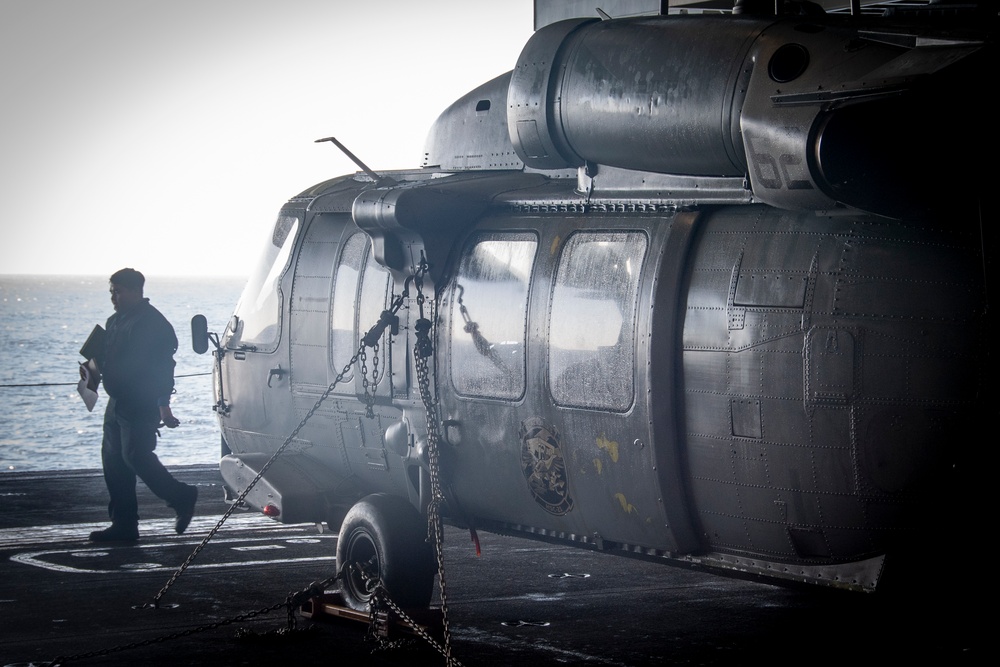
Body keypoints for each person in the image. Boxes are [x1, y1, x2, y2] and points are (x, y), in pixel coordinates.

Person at [85, 268, 197, 542]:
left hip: (140, 401)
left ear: (137, 291)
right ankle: (124, 525)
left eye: (119, 291)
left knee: (136, 456)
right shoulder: (115, 321)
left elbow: (163, 368)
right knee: (113, 462)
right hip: (118, 402)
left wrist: (163, 405)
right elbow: (104, 357)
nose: (114, 297)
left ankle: (181, 496)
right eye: (112, 291)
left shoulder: (152, 324)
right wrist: (90, 370)